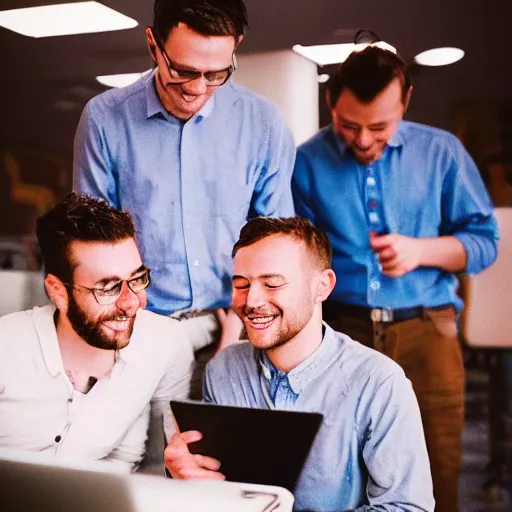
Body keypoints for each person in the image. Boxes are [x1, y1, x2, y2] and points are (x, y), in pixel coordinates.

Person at [291, 45, 499, 512]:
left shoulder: (443, 152)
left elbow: (486, 242)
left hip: (429, 333)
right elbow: (298, 256)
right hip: (340, 334)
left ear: (405, 101)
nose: (363, 140)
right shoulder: (306, 161)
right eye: (349, 126)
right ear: (332, 104)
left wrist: (420, 250)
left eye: (380, 127)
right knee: (337, 475)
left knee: (437, 475)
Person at [73, 0, 296, 366]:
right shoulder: (105, 119)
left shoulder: (264, 125)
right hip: (137, 334)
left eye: (216, 74)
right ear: (152, 46)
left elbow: (278, 246)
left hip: (235, 331)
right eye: (183, 70)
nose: (197, 87)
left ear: (235, 45)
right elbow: (91, 247)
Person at [164, 217, 435, 512]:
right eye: (242, 285)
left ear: (322, 287)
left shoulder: (380, 382)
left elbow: (407, 508)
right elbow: (218, 494)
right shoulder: (223, 369)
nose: (251, 300)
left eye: (272, 283)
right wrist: (183, 472)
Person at [0, 193, 194, 471]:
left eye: (137, 279)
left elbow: (172, 459)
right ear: (58, 291)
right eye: (107, 288)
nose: (132, 302)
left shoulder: (166, 342)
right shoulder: (7, 345)